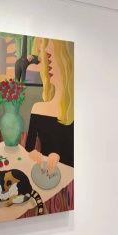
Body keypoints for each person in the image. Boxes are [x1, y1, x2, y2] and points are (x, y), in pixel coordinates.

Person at [26, 38, 74, 175]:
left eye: (56, 53)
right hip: (44, 178)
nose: (46, 51)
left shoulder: (80, 112)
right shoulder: (38, 108)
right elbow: (28, 150)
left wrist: (59, 156)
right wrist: (33, 154)